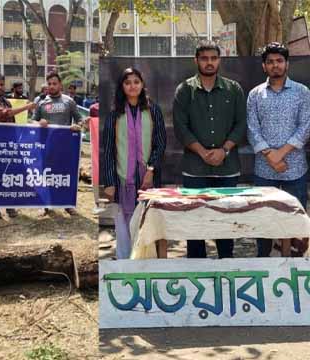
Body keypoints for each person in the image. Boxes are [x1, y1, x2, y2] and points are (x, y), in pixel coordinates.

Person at [173, 40, 246, 259]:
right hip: (195, 169)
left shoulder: (234, 89)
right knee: (195, 222)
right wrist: (204, 153)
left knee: (225, 222)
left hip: (227, 168)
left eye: (213, 58)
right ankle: (197, 267)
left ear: (219, 61)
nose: (209, 63)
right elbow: (180, 127)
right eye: (204, 58)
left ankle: (226, 265)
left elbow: (241, 124)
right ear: (196, 60)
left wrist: (224, 150)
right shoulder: (185, 90)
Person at [247, 42, 310, 257]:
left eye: (279, 61)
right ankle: (263, 262)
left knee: (296, 217)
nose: (275, 65)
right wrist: (270, 157)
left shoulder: (302, 92)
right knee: (264, 217)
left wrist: (279, 154)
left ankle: (296, 265)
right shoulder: (255, 94)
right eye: (271, 62)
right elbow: (252, 128)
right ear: (264, 66)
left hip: (295, 168)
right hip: (264, 170)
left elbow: (306, 126)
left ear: (287, 64)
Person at [102, 68, 167, 259]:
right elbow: (108, 150)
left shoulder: (153, 109)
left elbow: (160, 143)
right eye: (128, 82)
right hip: (122, 180)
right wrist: (109, 182)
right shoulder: (115, 114)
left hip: (149, 177)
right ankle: (124, 262)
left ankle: (147, 263)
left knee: (149, 220)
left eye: (136, 81)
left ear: (142, 84)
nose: (132, 86)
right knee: (123, 225)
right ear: (122, 87)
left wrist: (151, 169)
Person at [0, 73, 36, 219]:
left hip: (9, 144)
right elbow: (5, 114)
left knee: (9, 175)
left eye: (1, 84)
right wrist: (27, 107)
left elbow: (12, 121)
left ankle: (10, 206)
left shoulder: (5, 100)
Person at [32, 72, 84, 217]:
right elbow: (32, 121)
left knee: (66, 174)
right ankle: (44, 205)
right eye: (49, 84)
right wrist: (39, 123)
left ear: (60, 85)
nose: (52, 86)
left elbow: (80, 120)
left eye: (55, 83)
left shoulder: (69, 101)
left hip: (65, 146)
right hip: (46, 146)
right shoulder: (41, 102)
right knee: (45, 175)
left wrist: (78, 126)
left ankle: (67, 204)